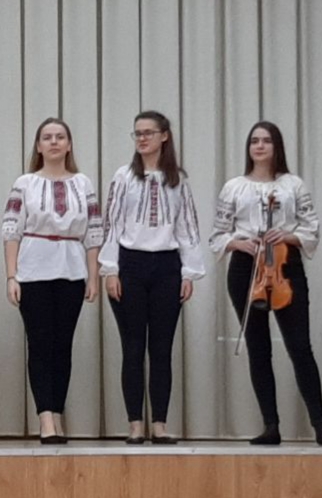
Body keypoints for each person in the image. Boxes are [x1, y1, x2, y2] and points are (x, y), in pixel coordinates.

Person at [209, 121, 322, 446]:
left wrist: (289, 235)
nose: (259, 146)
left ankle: (320, 425)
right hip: (246, 268)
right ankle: (271, 426)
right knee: (258, 348)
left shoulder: (293, 184)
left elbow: (311, 227)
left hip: (285, 265)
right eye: (254, 141)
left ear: (276, 146)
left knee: (300, 347)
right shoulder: (234, 186)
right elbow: (218, 234)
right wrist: (239, 243)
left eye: (266, 140)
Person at [99, 110, 205, 445]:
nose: (142, 138)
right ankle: (135, 424)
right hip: (130, 265)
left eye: (148, 132)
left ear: (164, 136)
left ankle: (159, 424)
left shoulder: (177, 180)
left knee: (161, 349)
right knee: (133, 348)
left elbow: (187, 226)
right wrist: (110, 269)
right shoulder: (124, 176)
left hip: (167, 268)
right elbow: (111, 223)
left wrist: (189, 272)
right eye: (137, 133)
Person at [2, 117, 102, 444]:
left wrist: (93, 276)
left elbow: (94, 231)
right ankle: (45, 416)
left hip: (72, 269)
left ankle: (57, 413)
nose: (54, 142)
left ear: (69, 144)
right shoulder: (25, 183)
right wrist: (11, 275)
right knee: (41, 343)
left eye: (60, 137)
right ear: (39, 145)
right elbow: (11, 229)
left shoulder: (83, 183)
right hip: (33, 269)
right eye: (47, 137)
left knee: (63, 346)